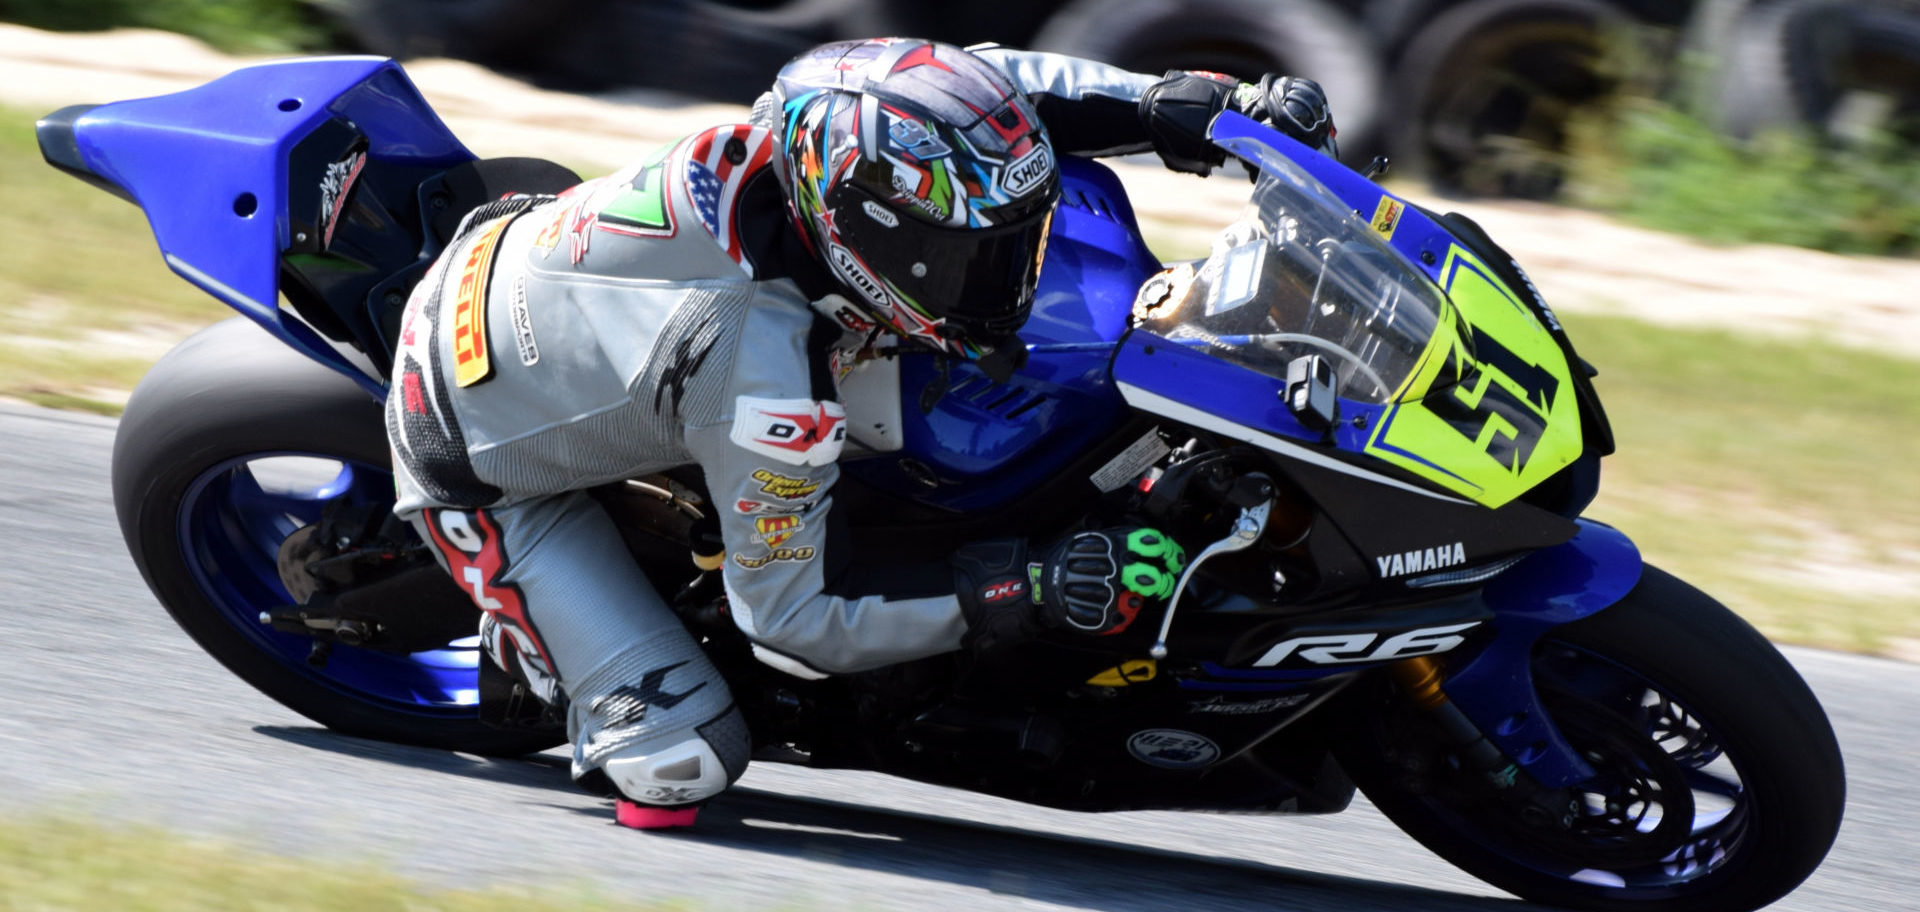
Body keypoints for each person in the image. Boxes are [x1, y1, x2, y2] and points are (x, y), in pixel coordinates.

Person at [385, 37, 1338, 828]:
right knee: (682, 769)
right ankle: (561, 663)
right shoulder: (763, 383)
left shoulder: (813, 123)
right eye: (972, 259)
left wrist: (1187, 104)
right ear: (867, 235)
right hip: (471, 446)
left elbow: (999, 90)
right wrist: (1019, 584)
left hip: (530, 270)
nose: (1007, 277)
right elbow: (796, 621)